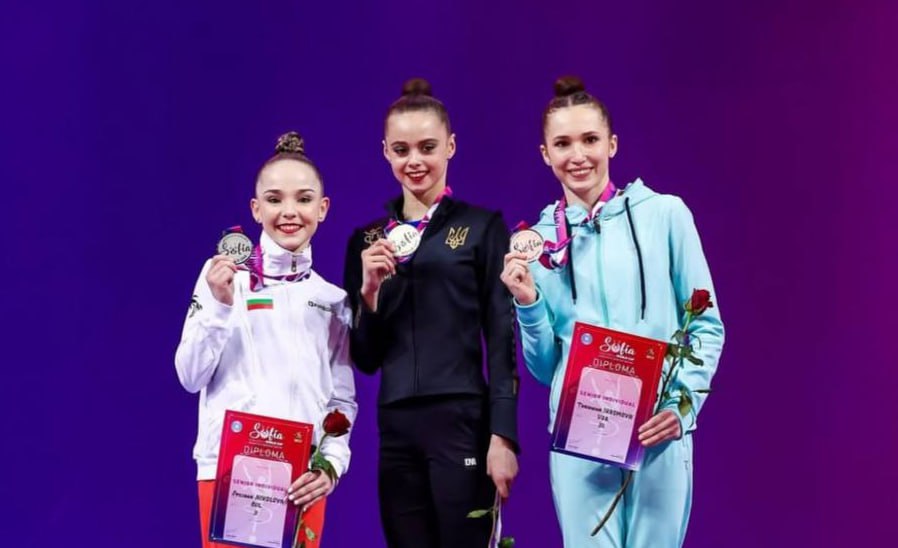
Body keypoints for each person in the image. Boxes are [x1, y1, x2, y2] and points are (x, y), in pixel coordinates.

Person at [500, 76, 725, 547]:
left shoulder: (665, 215)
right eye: (563, 143)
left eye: (590, 139)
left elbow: (705, 325)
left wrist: (681, 407)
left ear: (612, 144)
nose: (578, 155)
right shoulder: (538, 244)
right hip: (581, 436)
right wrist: (528, 303)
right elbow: (544, 368)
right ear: (545, 154)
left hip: (656, 429)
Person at [343, 78, 519, 547]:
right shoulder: (367, 242)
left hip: (462, 419)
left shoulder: (482, 228)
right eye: (401, 150)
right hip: (396, 427)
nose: (414, 161)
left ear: (450, 146)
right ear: (385, 152)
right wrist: (368, 292)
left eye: (427, 147)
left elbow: (501, 335)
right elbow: (365, 359)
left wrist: (503, 436)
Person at [175, 131, 358, 548]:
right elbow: (189, 375)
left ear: (323, 208)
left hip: (301, 480)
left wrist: (330, 464)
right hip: (229, 473)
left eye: (304, 199)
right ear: (256, 209)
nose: (289, 211)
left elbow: (342, 402)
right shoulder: (223, 278)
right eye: (275, 200)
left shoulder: (333, 300)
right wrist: (220, 307)